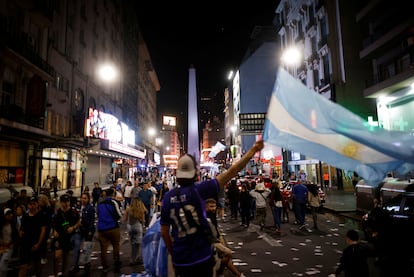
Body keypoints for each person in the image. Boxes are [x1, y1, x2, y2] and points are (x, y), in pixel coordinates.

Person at [160, 140, 264, 277]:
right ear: (195, 173)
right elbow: (232, 171)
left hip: (181, 259)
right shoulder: (198, 190)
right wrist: (253, 150)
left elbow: (165, 233)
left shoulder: (167, 198)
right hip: (201, 256)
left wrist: (173, 253)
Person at [205, 198, 245, 277]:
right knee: (228, 253)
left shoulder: (212, 214)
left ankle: (237, 274)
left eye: (214, 206)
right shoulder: (204, 217)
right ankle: (222, 272)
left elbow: (215, 227)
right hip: (211, 240)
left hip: (216, 237)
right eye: (211, 206)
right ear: (206, 207)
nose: (213, 208)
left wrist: (220, 237)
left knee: (226, 256)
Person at [18, 196, 47, 277]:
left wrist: (38, 244)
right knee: (23, 266)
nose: (32, 206)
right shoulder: (25, 216)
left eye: (34, 204)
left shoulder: (41, 215)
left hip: (36, 243)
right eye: (30, 204)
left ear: (37, 204)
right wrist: (20, 232)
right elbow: (21, 228)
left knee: (37, 265)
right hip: (25, 244)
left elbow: (43, 230)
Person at [52, 194, 81, 276]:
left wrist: (73, 227)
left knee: (65, 256)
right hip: (59, 236)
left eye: (67, 201)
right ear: (61, 202)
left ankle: (64, 273)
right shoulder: (58, 212)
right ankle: (56, 274)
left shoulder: (73, 211)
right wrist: (54, 231)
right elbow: (54, 223)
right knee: (57, 256)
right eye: (64, 202)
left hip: (68, 237)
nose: (66, 204)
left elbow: (79, 221)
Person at [96, 188, 123, 273]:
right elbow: (118, 214)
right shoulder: (113, 202)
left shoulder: (99, 204)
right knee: (116, 245)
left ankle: (104, 266)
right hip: (112, 227)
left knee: (103, 248)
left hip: (101, 228)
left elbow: (98, 214)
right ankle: (116, 261)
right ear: (112, 194)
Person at [72, 192, 95, 274]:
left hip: (87, 230)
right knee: (77, 247)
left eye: (85, 198)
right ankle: (75, 266)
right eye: (82, 198)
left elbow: (91, 221)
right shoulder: (78, 207)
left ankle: (86, 265)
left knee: (87, 248)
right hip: (79, 230)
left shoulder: (90, 208)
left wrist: (90, 231)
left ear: (88, 199)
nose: (83, 200)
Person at [122, 197, 147, 266]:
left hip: (130, 226)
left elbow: (124, 219)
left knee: (133, 244)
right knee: (138, 244)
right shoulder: (141, 209)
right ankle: (136, 258)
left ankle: (132, 259)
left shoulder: (128, 209)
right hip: (137, 226)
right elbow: (143, 221)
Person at [0, 208, 17, 277]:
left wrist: (10, 243)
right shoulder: (1, 225)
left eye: (11, 214)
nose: (10, 215)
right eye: (8, 214)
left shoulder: (12, 225)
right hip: (1, 247)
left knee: (2, 266)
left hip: (9, 247)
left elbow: (15, 237)